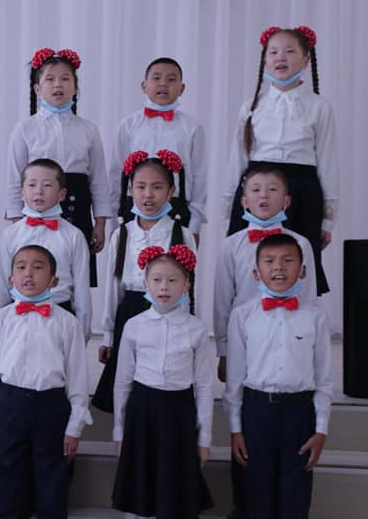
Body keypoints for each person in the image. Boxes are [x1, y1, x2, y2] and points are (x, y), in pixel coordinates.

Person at [214, 164, 318, 517]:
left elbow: (309, 298)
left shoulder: (301, 244)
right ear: (243, 201)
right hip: (247, 342)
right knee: (248, 426)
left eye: (272, 190)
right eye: (256, 190)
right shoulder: (231, 245)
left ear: (286, 200)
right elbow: (222, 301)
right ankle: (245, 504)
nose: (263, 196)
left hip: (289, 339)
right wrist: (224, 351)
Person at [0, 244, 91, 518]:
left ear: (54, 280)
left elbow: (77, 378)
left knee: (52, 484)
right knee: (9, 484)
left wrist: (74, 426)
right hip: (10, 405)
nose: (28, 273)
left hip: (51, 406)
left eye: (38, 267)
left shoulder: (68, 323)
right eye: (21, 267)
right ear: (10, 278)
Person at [225, 233, 333, 519]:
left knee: (295, 498)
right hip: (256, 412)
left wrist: (321, 429)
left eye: (288, 260)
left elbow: (324, 379)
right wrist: (236, 428)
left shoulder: (316, 317)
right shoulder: (242, 315)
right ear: (255, 272)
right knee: (257, 496)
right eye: (269, 261)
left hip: (299, 414)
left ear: (303, 270)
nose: (279, 267)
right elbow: (234, 379)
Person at [223, 26, 335, 295]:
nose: (280, 57)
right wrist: (229, 207)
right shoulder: (251, 106)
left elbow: (329, 162)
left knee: (296, 265)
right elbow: (237, 158)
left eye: (289, 51)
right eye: (273, 52)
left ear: (305, 60)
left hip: (301, 192)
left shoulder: (319, 107)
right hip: (257, 189)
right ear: (265, 60)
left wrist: (328, 219)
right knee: (250, 264)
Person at [111, 244, 214, 518]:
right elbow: (122, 382)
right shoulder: (134, 325)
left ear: (186, 285)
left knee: (175, 484)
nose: (164, 287)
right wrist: (119, 431)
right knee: (140, 483)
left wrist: (204, 438)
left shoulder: (196, 329)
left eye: (173, 280)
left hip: (179, 412)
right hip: (142, 410)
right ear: (145, 283)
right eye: (157, 279)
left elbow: (204, 386)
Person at [92, 150, 195, 412]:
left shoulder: (182, 234)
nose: (148, 194)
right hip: (130, 312)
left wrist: (185, 332)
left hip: (168, 314)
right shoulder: (122, 234)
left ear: (171, 191)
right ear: (130, 190)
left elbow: (187, 290)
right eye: (141, 187)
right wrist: (108, 335)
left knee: (160, 383)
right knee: (126, 389)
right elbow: (113, 288)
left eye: (157, 187)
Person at [5, 48, 112, 285]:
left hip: (77, 208)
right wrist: (17, 225)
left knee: (75, 277)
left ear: (76, 88)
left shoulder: (88, 129)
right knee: (35, 275)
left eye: (65, 79)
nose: (58, 85)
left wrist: (100, 223)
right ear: (37, 88)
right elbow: (14, 179)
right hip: (37, 208)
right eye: (50, 79)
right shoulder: (25, 129)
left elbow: (98, 180)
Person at [0, 158, 91, 338]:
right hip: (17, 317)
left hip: (60, 315)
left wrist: (81, 335)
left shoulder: (74, 236)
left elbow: (82, 292)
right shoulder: (10, 235)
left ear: (62, 194)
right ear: (22, 193)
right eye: (32, 185)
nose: (39, 191)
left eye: (47, 185)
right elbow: (1, 287)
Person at [109, 57, 206, 238]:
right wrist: (115, 221)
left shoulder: (192, 127)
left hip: (176, 207)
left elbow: (199, 177)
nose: (163, 84)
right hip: (135, 206)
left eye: (171, 79)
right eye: (156, 78)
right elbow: (116, 173)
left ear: (182, 88)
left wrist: (195, 224)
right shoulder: (128, 125)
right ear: (144, 85)